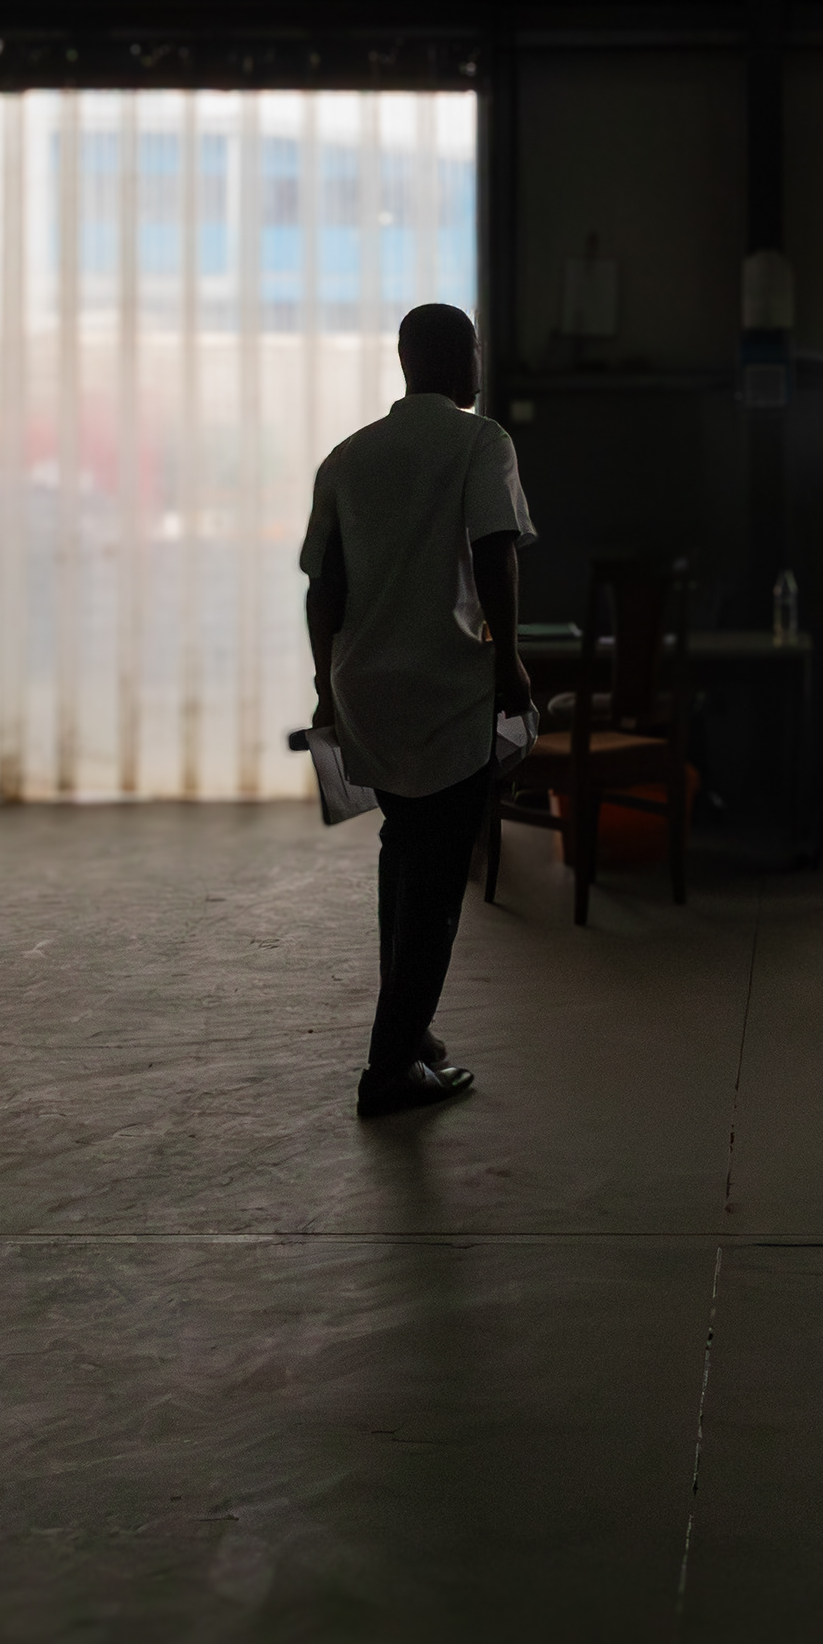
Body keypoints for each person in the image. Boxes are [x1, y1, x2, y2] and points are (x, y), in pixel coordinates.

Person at [303, 303, 538, 1120]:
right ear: (454, 357)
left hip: (366, 687)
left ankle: (411, 1031)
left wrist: (325, 687)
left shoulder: (347, 458)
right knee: (437, 880)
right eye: (475, 348)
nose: (480, 363)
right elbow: (495, 552)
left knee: (404, 852)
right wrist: (506, 655)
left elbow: (322, 588)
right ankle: (390, 1067)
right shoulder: (482, 443)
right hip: (446, 689)